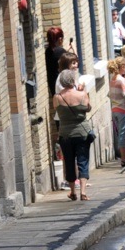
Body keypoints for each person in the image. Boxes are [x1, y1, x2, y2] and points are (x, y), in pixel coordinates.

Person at [53, 69, 94, 201]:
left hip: (65, 134)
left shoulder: (57, 97)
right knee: (83, 160)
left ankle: (72, 192)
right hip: (82, 133)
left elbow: (57, 110)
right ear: (73, 80)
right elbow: (88, 108)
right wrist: (82, 91)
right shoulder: (82, 95)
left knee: (69, 161)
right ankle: (83, 192)